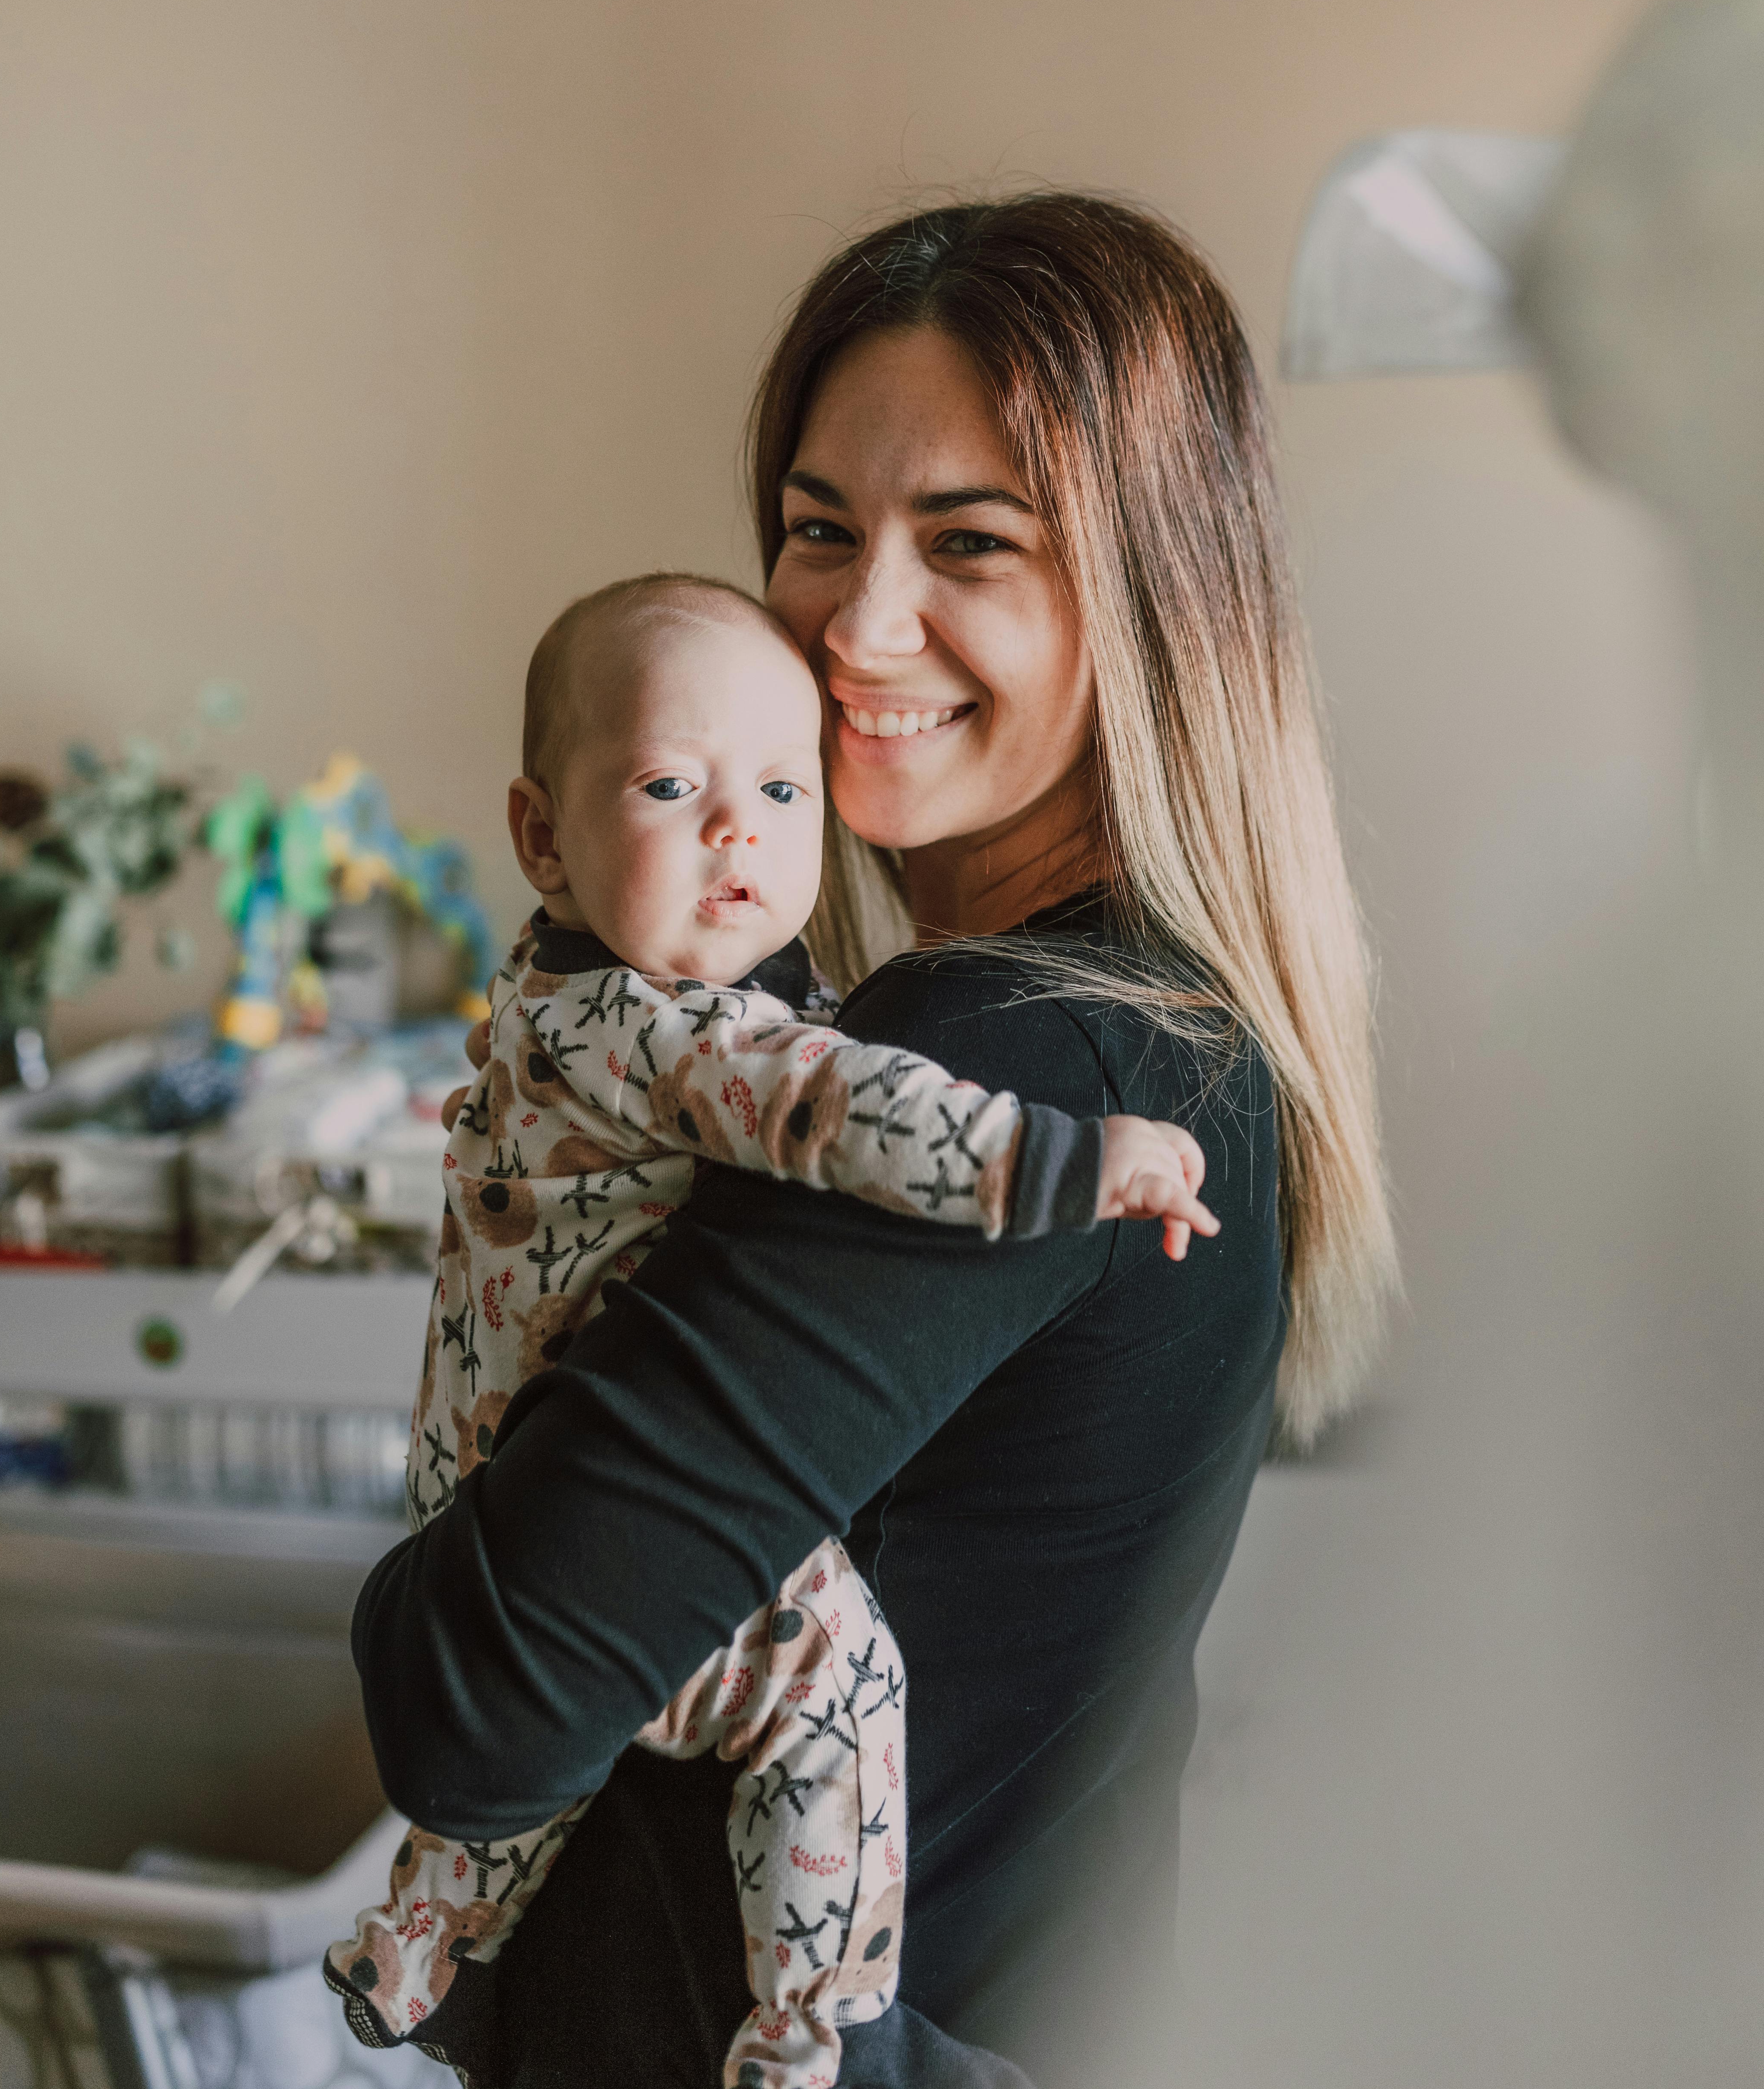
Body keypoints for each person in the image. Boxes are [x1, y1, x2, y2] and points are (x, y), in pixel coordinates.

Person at [350, 192, 1397, 2086]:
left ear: (1149, 593)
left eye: (969, 545)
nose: (853, 621)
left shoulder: (1003, 1054)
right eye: (818, 529)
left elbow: (475, 1704)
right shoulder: (1173, 1026)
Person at [326, 572, 1217, 2084]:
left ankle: (413, 1946)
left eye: (781, 787)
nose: (737, 829)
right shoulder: (654, 1027)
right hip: (544, 1532)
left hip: (489, 1482)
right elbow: (828, 1108)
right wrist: (1062, 1161)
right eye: (673, 787)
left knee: (541, 1775)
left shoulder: (567, 999)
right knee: (837, 1681)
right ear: (544, 837)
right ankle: (810, 2042)